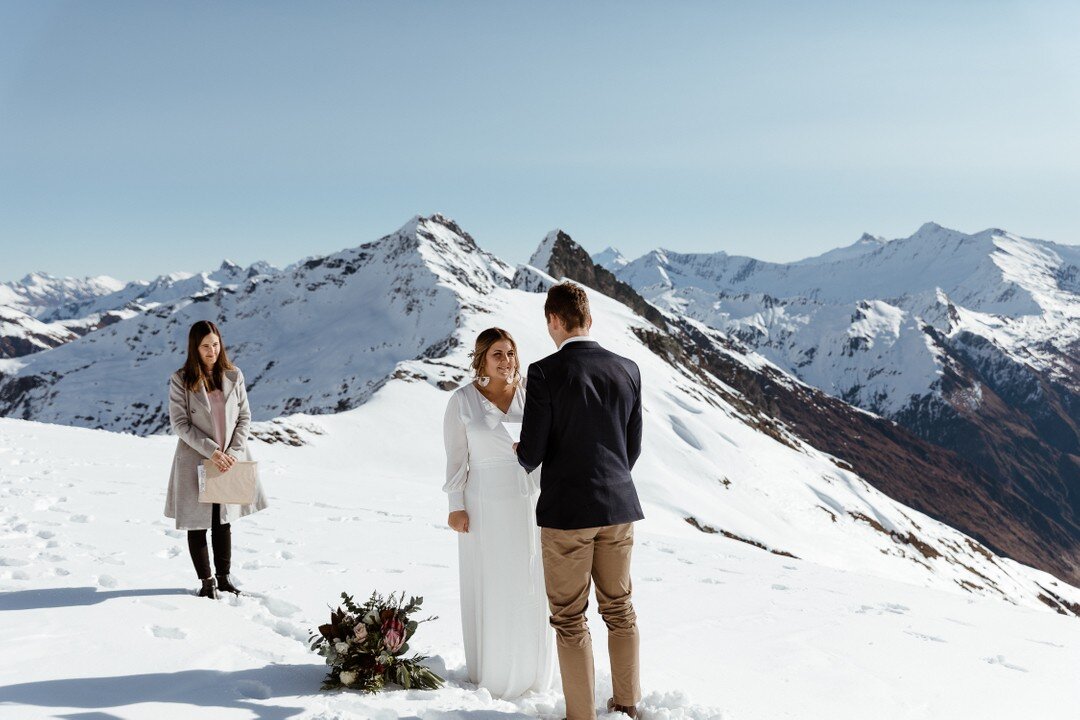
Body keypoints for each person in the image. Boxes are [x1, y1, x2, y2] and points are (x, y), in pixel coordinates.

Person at [515, 282, 645, 720]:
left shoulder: (545, 372)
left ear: (554, 319)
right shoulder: (627, 368)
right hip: (618, 507)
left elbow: (531, 455)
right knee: (620, 608)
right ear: (589, 318)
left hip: (568, 512)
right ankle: (626, 703)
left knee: (571, 618)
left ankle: (581, 715)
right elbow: (633, 448)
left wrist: (522, 449)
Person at [443, 327, 555, 698]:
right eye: (497, 354)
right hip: (484, 502)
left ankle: (532, 672)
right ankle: (493, 671)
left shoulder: (531, 396)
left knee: (529, 581)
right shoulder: (462, 401)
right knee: (493, 581)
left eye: (510, 353)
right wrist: (455, 506)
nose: (506, 361)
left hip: (530, 500)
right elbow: (457, 459)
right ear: (481, 359)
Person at [165, 320, 268, 599]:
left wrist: (232, 453)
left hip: (228, 459)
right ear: (194, 348)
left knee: (223, 522)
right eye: (205, 346)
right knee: (198, 523)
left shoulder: (234, 375)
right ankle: (207, 582)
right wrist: (213, 451)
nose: (212, 350)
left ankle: (224, 579)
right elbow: (180, 424)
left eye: (215, 344)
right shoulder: (181, 379)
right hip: (197, 457)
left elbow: (244, 417)